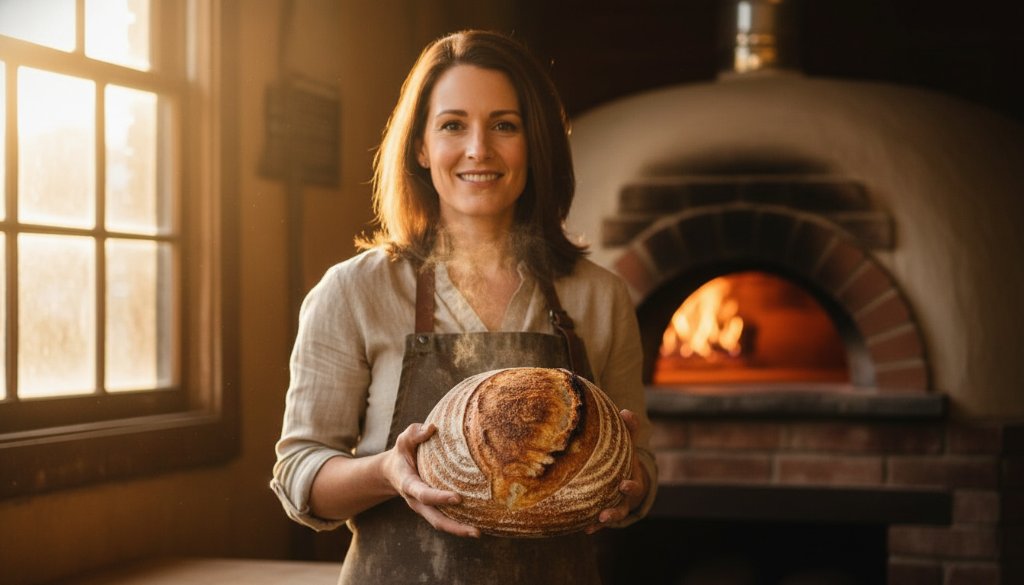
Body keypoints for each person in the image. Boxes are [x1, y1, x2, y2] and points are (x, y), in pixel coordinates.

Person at [271, 29, 657, 584]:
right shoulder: (354, 292)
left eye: (505, 124)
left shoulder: (598, 295)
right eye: (453, 125)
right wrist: (389, 473)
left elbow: (641, 463)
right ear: (422, 147)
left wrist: (629, 483)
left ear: (535, 143)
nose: (479, 149)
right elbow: (299, 475)